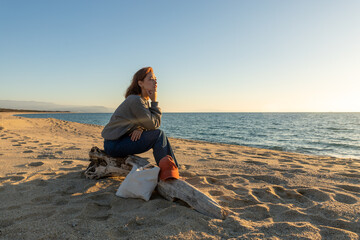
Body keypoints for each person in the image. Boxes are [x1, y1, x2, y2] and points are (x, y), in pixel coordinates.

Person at [101, 67, 178, 167]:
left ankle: (170, 169)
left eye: (155, 79)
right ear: (140, 83)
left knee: (158, 134)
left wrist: (140, 128)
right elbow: (153, 124)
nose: (155, 81)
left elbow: (145, 122)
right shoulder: (136, 100)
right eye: (150, 79)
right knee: (158, 135)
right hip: (114, 145)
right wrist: (154, 102)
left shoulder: (142, 100)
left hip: (119, 141)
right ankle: (170, 171)